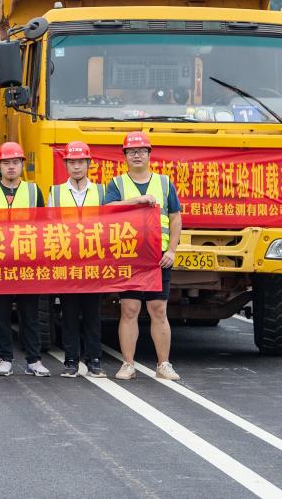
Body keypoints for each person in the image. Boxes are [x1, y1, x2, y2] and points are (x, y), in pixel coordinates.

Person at [105, 131, 182, 381]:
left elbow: (175, 217)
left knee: (158, 309)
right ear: (125, 156)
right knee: (129, 309)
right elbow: (107, 210)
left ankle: (164, 364)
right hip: (129, 254)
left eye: (141, 151)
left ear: (149, 155)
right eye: (131, 151)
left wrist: (172, 250)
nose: (137, 155)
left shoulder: (164, 182)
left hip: (158, 256)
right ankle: (128, 364)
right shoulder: (117, 184)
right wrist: (136, 200)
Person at [0, 141, 49, 378]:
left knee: (29, 313)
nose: (11, 167)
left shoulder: (33, 191)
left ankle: (34, 360)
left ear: (22, 165)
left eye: (15, 162)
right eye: (6, 163)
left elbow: (42, 227)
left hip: (26, 262)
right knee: (0, 314)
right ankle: (4, 358)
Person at [48, 142, 106, 379]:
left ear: (89, 164)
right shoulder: (56, 192)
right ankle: (70, 361)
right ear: (66, 165)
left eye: (81, 162)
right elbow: (50, 224)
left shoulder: (101, 191)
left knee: (93, 312)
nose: (76, 166)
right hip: (68, 260)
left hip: (93, 261)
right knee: (69, 313)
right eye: (72, 162)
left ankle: (94, 360)